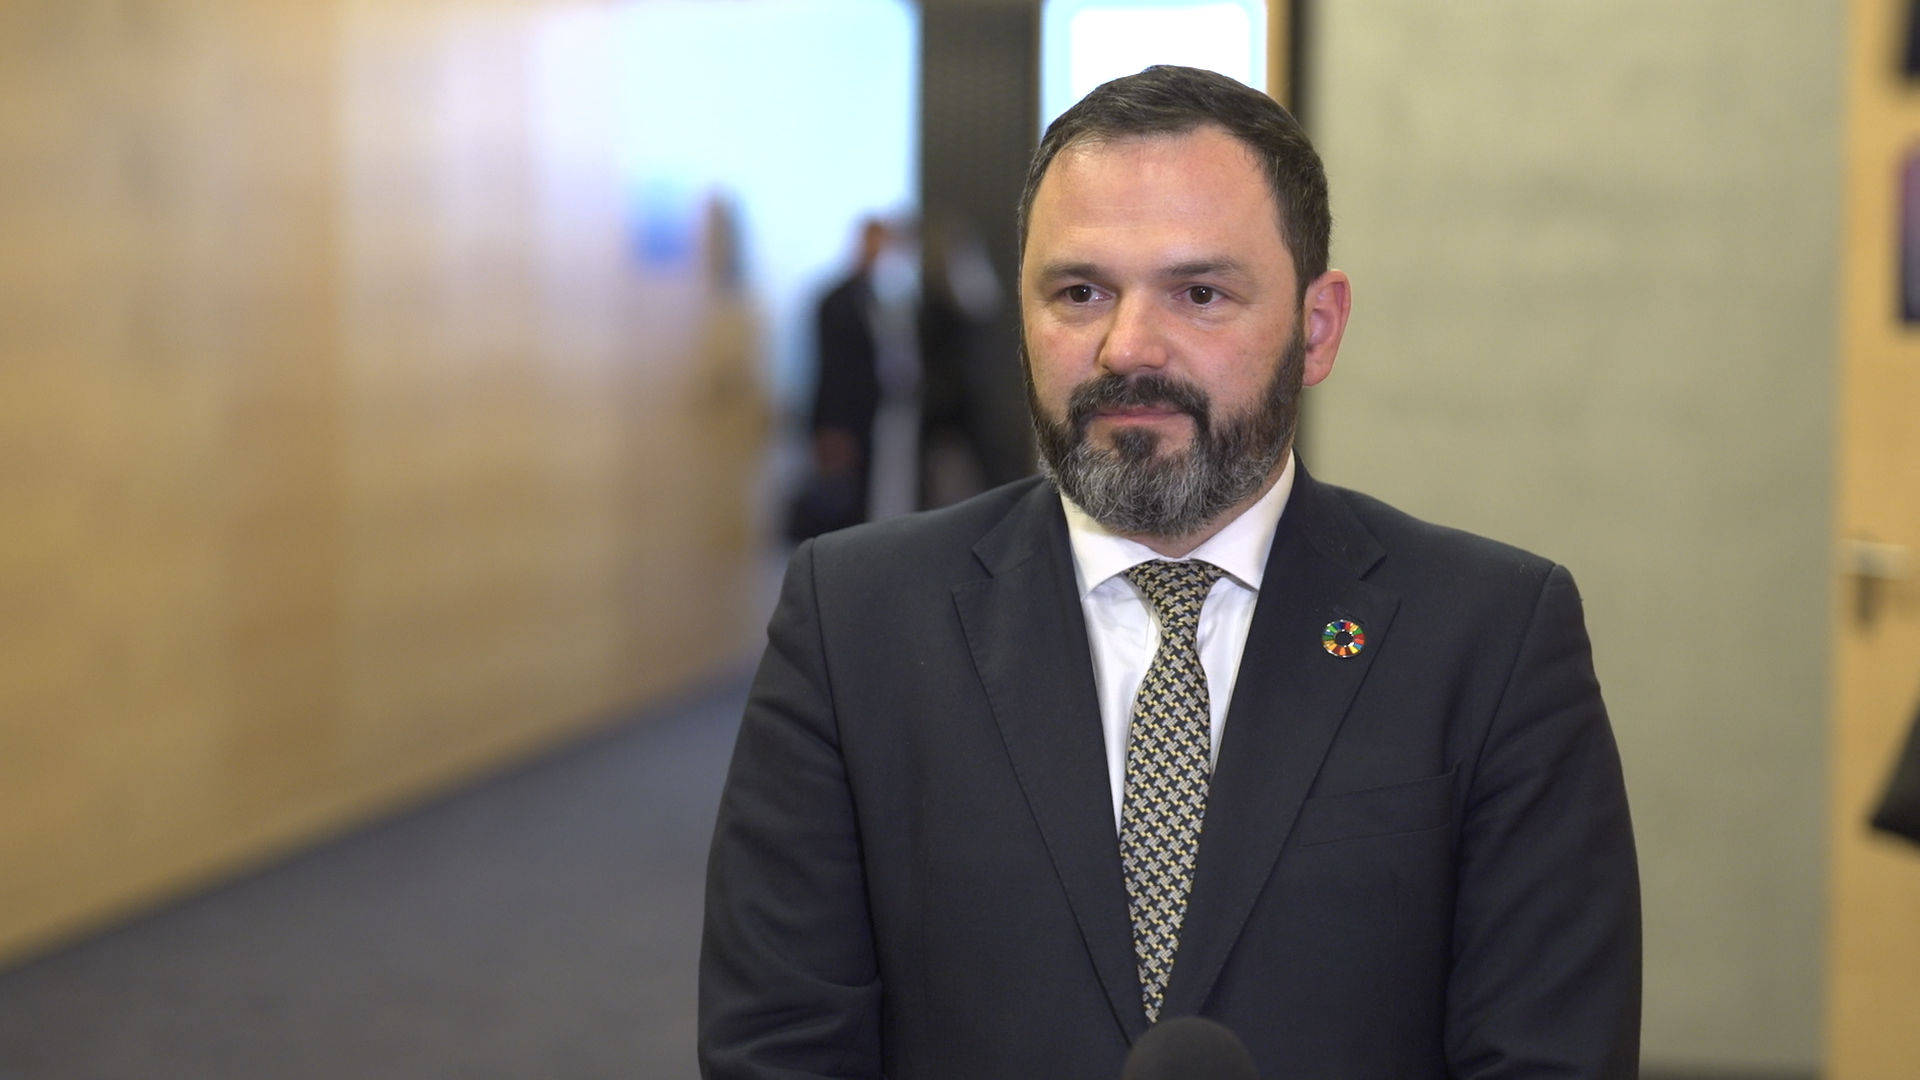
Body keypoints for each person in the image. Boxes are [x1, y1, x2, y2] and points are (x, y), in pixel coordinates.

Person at [703, 65, 1640, 1080]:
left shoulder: (1491, 637)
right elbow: (779, 1049)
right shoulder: (855, 621)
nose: (1128, 348)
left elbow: (1549, 1055)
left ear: (1317, 328)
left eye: (1199, 293)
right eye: (1079, 293)